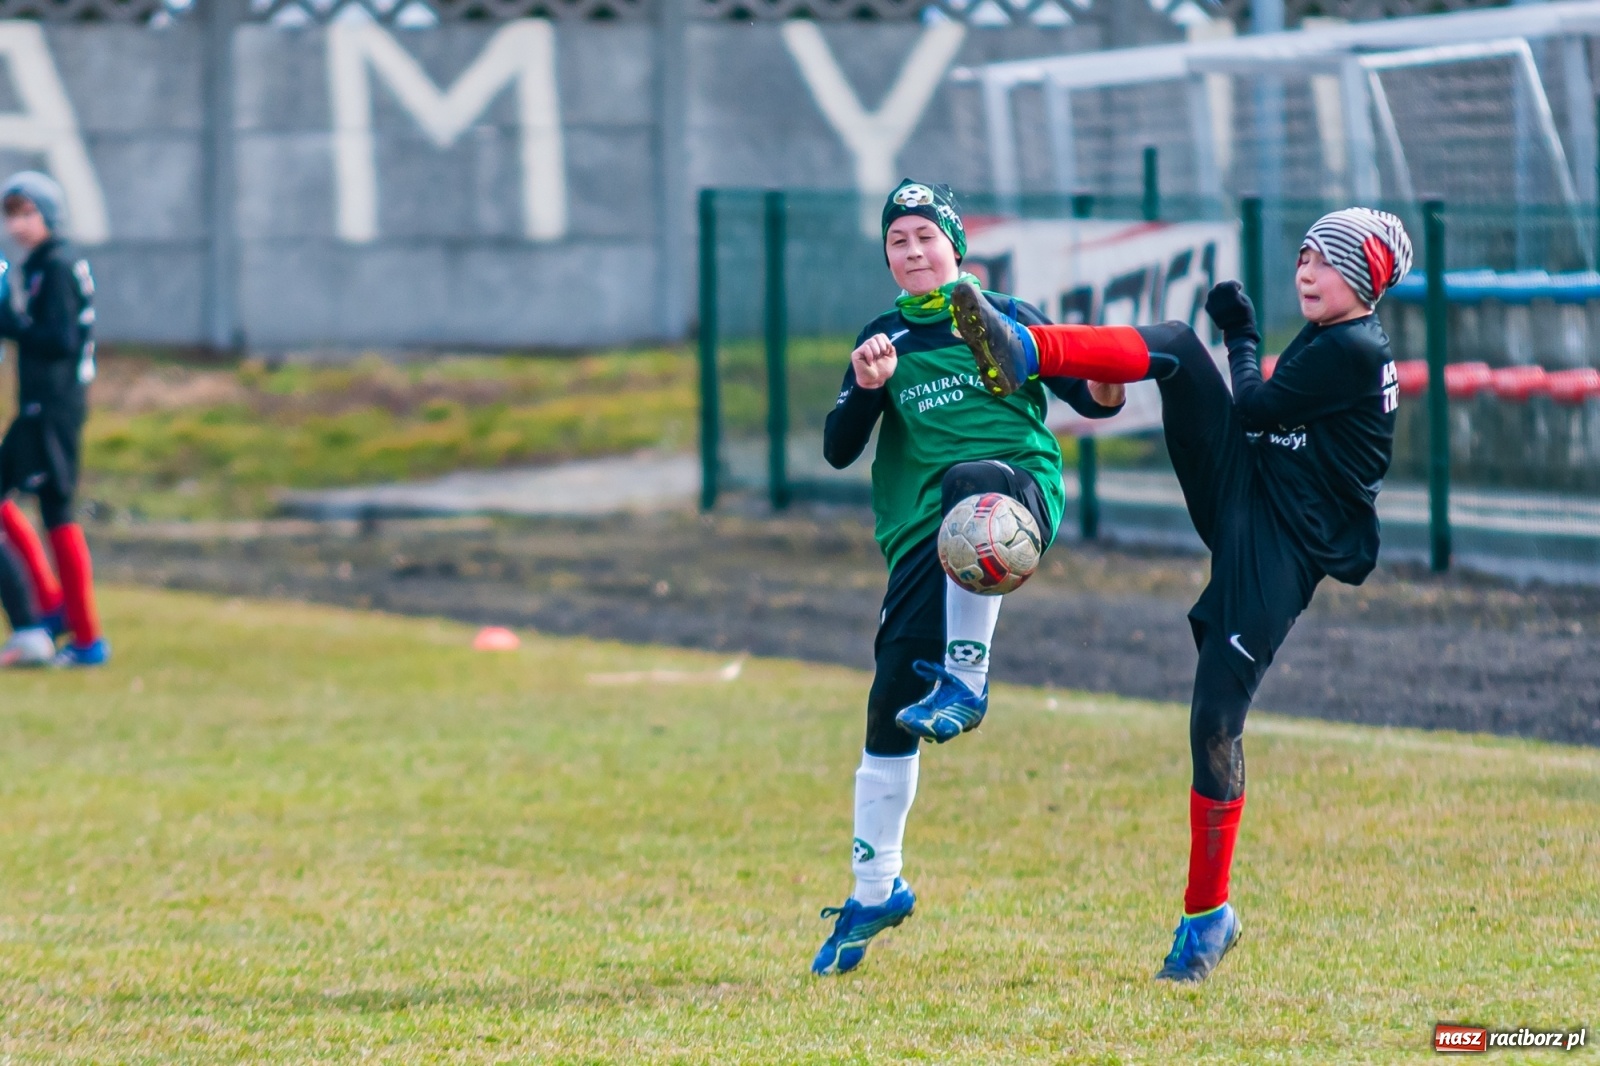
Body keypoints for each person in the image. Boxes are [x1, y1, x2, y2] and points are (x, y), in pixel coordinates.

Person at [951, 206, 1411, 983]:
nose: (1306, 270)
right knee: (1173, 345)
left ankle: (1208, 917)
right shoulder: (1331, 336)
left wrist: (1241, 334)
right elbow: (1257, 420)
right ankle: (1025, 348)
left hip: (1282, 546)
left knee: (1214, 723)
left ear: (1365, 276)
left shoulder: (1355, 347)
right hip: (1248, 489)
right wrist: (1233, 343)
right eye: (1303, 255)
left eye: (1326, 260)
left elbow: (1254, 406)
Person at [810, 179, 1124, 976]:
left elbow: (1095, 400)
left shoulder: (1005, 316)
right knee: (889, 701)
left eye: (926, 236)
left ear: (956, 246)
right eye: (898, 241)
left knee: (971, 483)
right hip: (923, 537)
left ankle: (968, 680)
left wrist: (1108, 378)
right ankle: (875, 889)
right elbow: (838, 449)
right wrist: (867, 389)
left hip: (1014, 495)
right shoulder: (882, 338)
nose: (913, 251)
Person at [0, 170, 107, 667]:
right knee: (46, 508)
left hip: (51, 409)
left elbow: (60, 340)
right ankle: (53, 608)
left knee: (59, 513)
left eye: (28, 214)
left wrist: (11, 322)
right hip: (42, 407)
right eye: (12, 216)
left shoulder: (57, 267)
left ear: (49, 215)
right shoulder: (45, 263)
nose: (18, 225)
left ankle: (83, 634)